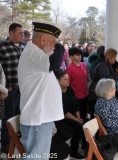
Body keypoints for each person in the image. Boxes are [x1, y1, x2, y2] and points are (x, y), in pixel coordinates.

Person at [18, 19, 64, 159]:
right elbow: (55, 63)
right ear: (43, 39)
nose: (54, 47)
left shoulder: (38, 54)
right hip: (38, 118)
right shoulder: (33, 53)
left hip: (41, 117)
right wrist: (61, 47)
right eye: (53, 42)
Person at [0, 23, 23, 153]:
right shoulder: (2, 46)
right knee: (8, 119)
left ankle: (16, 141)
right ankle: (6, 144)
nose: (22, 35)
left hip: (22, 90)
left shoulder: (22, 47)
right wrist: (4, 88)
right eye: (20, 33)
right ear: (11, 33)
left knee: (19, 118)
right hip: (9, 90)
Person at [56, 71, 87, 159]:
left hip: (73, 115)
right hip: (63, 118)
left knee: (86, 122)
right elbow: (64, 111)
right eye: (65, 79)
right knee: (77, 126)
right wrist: (76, 120)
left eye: (68, 79)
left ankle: (86, 146)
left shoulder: (69, 89)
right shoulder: (57, 92)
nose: (68, 81)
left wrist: (78, 117)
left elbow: (76, 105)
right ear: (58, 81)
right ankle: (74, 150)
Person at [88, 48, 118, 118]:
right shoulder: (102, 65)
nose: (115, 59)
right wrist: (117, 74)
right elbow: (106, 80)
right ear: (108, 57)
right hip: (96, 93)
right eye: (113, 57)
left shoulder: (106, 64)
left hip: (98, 92)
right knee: (96, 116)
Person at [66, 47, 89, 121]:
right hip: (76, 96)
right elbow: (67, 84)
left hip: (85, 94)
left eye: (80, 55)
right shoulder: (69, 69)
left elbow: (86, 79)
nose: (80, 56)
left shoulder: (83, 65)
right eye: (77, 55)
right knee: (78, 117)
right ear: (71, 56)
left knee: (84, 114)